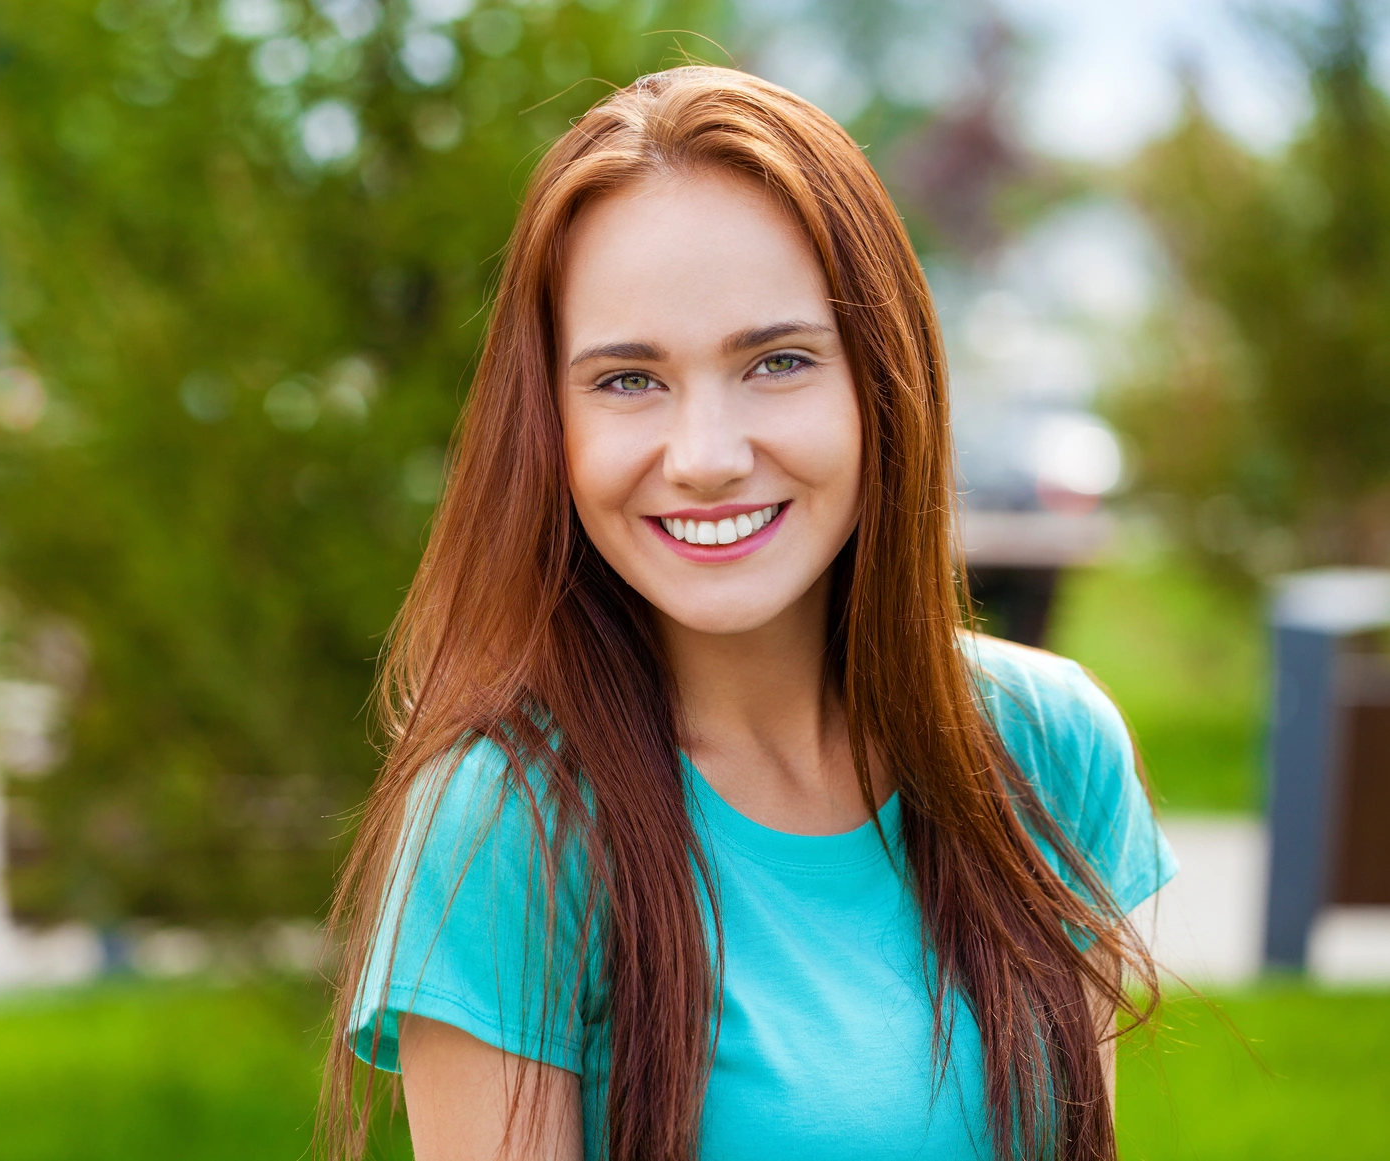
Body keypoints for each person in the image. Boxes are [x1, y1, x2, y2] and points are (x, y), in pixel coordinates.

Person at [322, 66, 1175, 1161]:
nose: (708, 458)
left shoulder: (1047, 750)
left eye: (776, 362)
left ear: (880, 380)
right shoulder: (510, 827)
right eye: (628, 380)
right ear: (552, 426)